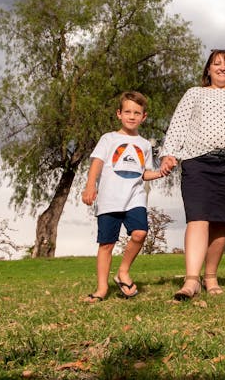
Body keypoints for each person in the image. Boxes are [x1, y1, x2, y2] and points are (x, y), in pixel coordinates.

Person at [159, 49, 225, 300]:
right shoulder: (195, 93)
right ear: (208, 69)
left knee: (220, 223)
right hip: (197, 163)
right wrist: (168, 154)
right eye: (217, 63)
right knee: (198, 218)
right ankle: (191, 280)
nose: (222, 67)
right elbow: (178, 125)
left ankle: (211, 277)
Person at [81, 91, 165, 303]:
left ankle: (123, 272)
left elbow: (144, 172)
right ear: (119, 114)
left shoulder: (145, 144)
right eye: (127, 111)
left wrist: (161, 172)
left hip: (135, 197)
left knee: (139, 233)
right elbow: (97, 163)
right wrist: (90, 185)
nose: (132, 116)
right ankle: (101, 289)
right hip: (109, 199)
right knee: (106, 244)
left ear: (143, 117)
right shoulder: (108, 138)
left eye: (137, 113)